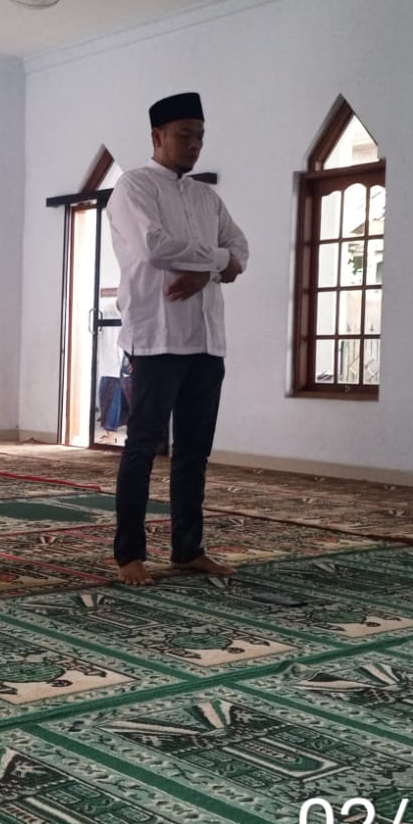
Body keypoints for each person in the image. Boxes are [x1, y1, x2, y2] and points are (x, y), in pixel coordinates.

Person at [106, 91, 249, 586]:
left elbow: (241, 246)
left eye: (200, 136)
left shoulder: (207, 197)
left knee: (194, 450)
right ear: (158, 136)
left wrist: (208, 269)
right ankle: (129, 555)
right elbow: (155, 247)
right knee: (143, 446)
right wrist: (219, 262)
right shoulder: (133, 187)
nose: (194, 144)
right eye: (185, 135)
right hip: (157, 339)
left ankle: (188, 550)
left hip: (206, 342)